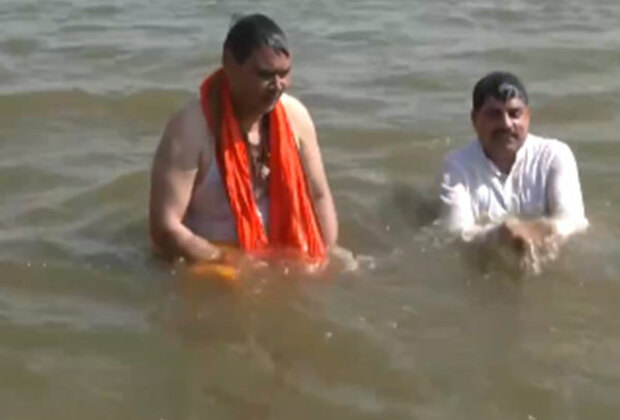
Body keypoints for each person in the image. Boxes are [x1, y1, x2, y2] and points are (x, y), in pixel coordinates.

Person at [149, 14, 338, 266]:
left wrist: (324, 254)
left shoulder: (295, 117)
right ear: (229, 64)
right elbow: (164, 227)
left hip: (278, 254)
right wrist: (227, 260)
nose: (278, 85)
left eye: (284, 74)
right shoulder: (191, 128)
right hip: (209, 261)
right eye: (265, 74)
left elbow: (319, 196)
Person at [437, 71, 588, 262]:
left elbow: (574, 223)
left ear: (528, 116)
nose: (506, 124)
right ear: (475, 120)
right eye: (494, 115)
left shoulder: (554, 155)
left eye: (515, 114)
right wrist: (498, 235)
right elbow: (454, 234)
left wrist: (542, 230)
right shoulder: (457, 165)